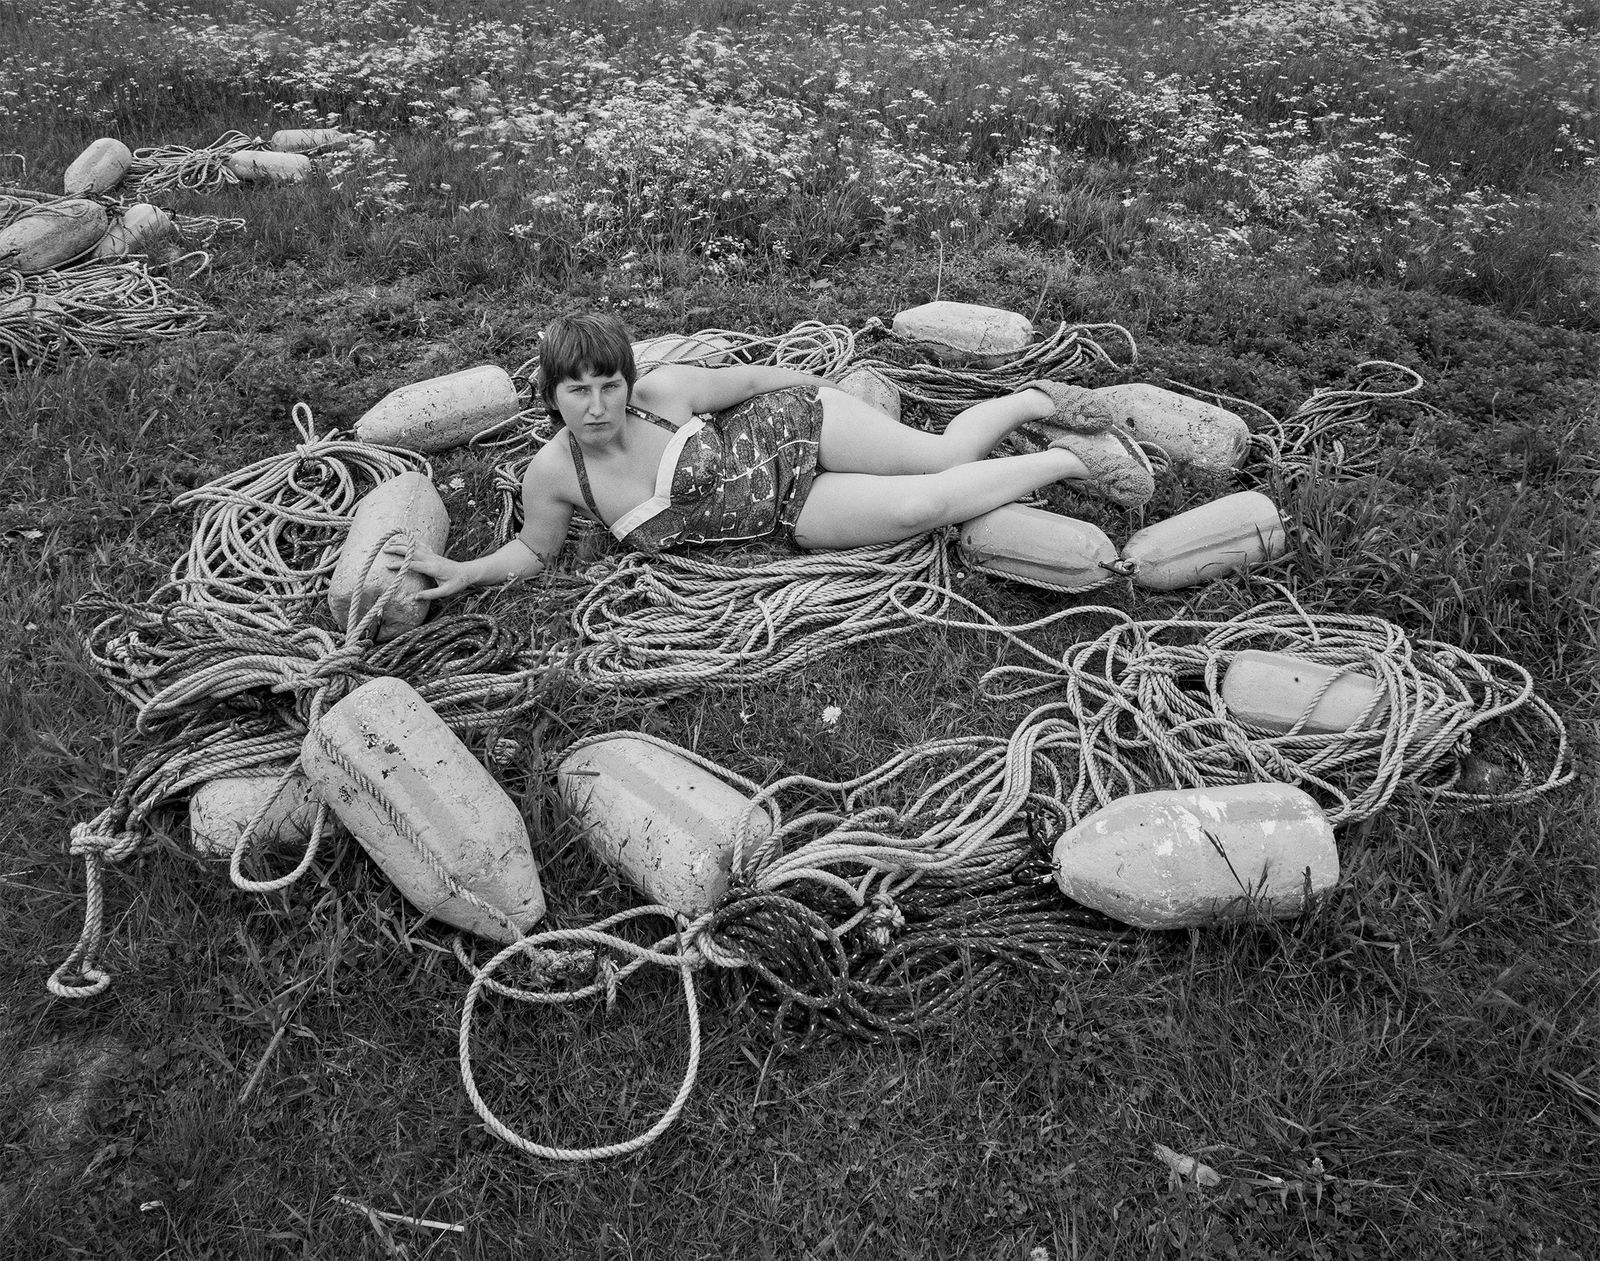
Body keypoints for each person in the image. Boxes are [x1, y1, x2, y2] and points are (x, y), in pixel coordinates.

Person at [398, 312, 1153, 600]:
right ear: (551, 393)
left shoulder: (661, 392)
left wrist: (823, 389)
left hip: (798, 427)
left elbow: (753, 380)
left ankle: (1039, 403)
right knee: (923, 508)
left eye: (607, 384)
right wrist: (468, 571)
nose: (595, 405)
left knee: (941, 454)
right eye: (576, 390)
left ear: (627, 381)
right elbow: (534, 548)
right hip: (788, 512)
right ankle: (1072, 466)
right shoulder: (556, 473)